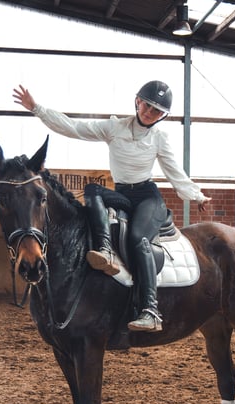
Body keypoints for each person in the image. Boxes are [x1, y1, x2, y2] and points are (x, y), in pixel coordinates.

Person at [13, 80, 212, 332]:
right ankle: (105, 250)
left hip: (148, 198)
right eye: (147, 106)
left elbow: (175, 172)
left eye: (157, 111)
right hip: (121, 194)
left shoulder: (159, 138)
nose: (150, 113)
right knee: (92, 190)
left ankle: (150, 309)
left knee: (139, 238)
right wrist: (36, 108)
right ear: (138, 102)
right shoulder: (114, 127)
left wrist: (197, 196)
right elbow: (74, 127)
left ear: (162, 116)